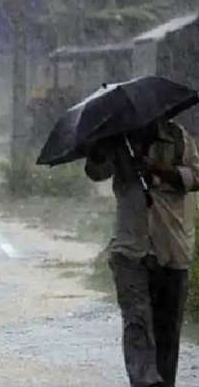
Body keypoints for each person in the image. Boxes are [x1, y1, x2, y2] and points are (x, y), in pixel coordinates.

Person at [85, 120, 199, 387]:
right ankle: (145, 382)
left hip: (172, 245)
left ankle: (162, 381)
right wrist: (96, 151)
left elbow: (196, 176)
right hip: (130, 247)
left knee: (167, 331)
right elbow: (97, 172)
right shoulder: (116, 138)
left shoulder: (177, 137)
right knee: (136, 321)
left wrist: (160, 169)